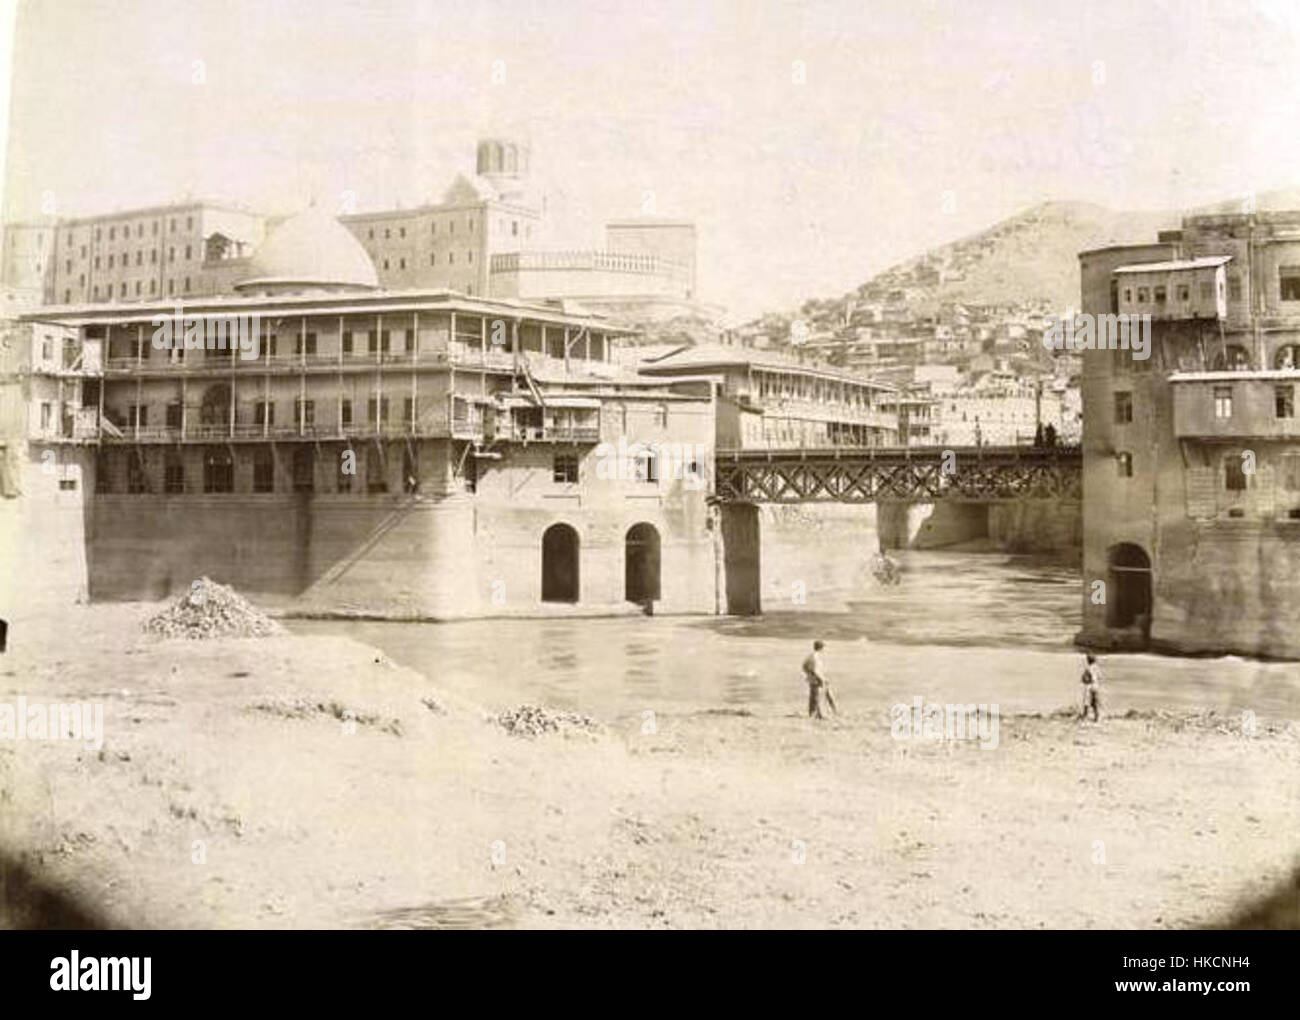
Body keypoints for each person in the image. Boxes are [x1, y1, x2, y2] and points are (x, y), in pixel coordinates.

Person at [802, 640, 838, 719]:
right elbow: (815, 670)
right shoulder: (815, 657)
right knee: (817, 697)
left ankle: (813, 714)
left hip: (813, 679)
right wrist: (821, 679)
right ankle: (820, 714)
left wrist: (808, 674)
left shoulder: (811, 656)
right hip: (817, 679)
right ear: (821, 648)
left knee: (814, 697)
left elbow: (804, 666)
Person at [1079, 652, 1101, 722]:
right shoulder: (1097, 668)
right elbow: (1100, 677)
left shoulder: (1088, 668)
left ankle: (1084, 716)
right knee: (1095, 702)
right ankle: (1097, 717)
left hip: (1089, 686)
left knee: (1087, 702)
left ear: (1088, 660)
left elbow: (1083, 678)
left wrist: (1085, 681)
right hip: (1096, 685)